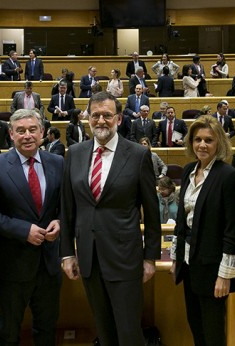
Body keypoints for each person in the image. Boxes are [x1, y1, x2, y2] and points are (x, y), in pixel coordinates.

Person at [60, 91, 161, 346]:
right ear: (87, 119)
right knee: (104, 331)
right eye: (95, 115)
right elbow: (67, 208)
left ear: (118, 119)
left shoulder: (138, 155)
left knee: (129, 332)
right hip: (89, 258)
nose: (101, 121)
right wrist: (67, 253)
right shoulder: (74, 153)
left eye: (107, 115)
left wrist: (150, 257)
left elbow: (151, 212)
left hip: (125, 258)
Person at [0, 108, 63, 346]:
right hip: (12, 265)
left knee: (47, 329)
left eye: (32, 130)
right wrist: (22, 230)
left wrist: (60, 222)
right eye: (21, 131)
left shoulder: (57, 163)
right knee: (8, 330)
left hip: (49, 265)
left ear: (42, 133)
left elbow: (67, 206)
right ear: (11, 135)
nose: (27, 135)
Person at [170, 114, 235, 346]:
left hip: (213, 268)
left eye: (209, 140)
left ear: (218, 143)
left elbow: (232, 231)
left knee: (212, 332)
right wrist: (176, 257)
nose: (202, 144)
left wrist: (225, 276)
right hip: (190, 264)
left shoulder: (228, 176)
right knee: (195, 324)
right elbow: (182, 220)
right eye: (197, 139)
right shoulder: (188, 170)